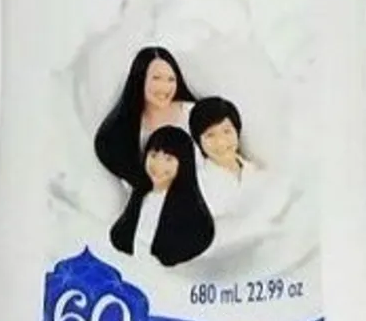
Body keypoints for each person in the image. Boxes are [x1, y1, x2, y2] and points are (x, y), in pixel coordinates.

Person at [109, 127, 214, 267]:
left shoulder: (189, 207)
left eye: (168, 159)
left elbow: (202, 237)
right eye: (153, 155)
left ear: (184, 163)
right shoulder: (140, 195)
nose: (158, 164)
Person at [94, 46, 196, 185]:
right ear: (140, 79)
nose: (164, 87)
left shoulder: (194, 113)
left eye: (171, 79)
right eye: (156, 78)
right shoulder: (127, 133)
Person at [189, 96, 260, 218]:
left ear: (237, 131)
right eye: (210, 135)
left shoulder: (253, 171)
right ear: (198, 141)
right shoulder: (197, 185)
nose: (221, 142)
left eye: (227, 131)